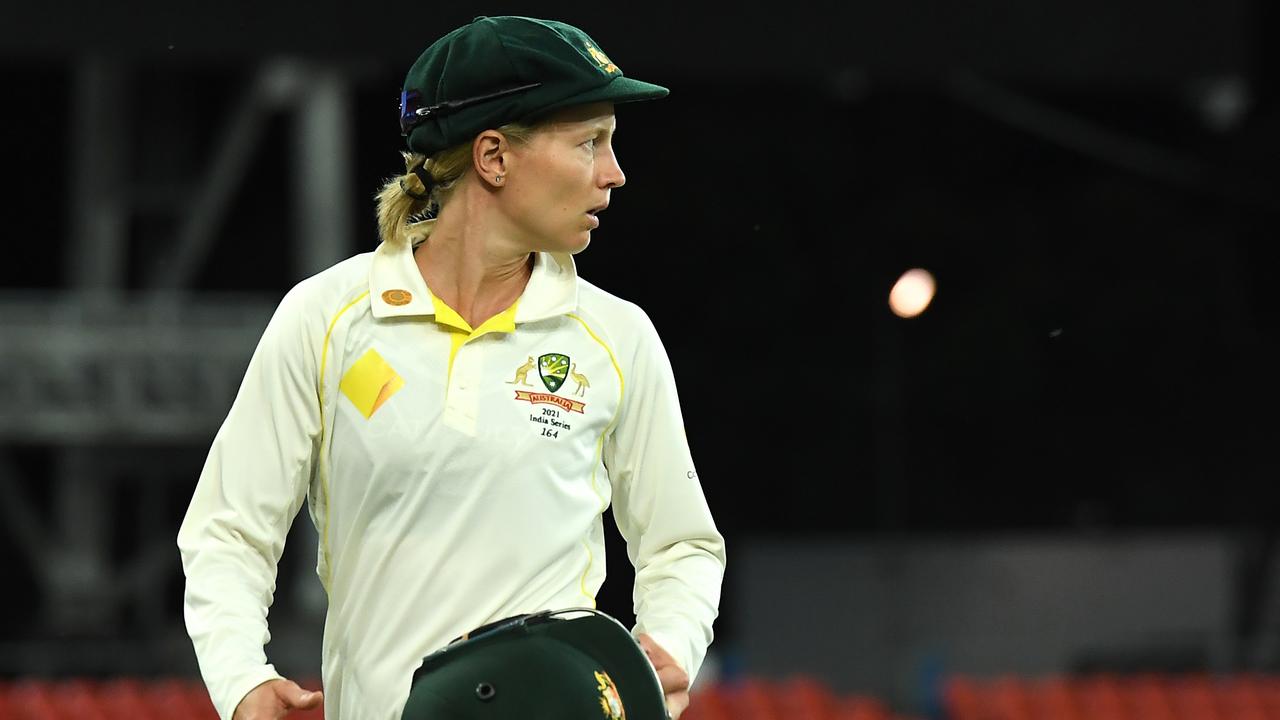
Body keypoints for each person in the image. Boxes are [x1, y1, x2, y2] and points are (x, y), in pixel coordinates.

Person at [177, 15, 726, 720]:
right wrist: (241, 680)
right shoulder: (324, 319)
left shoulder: (618, 337)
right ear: (493, 157)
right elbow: (227, 530)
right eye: (590, 142)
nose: (614, 173)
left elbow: (681, 543)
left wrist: (671, 640)